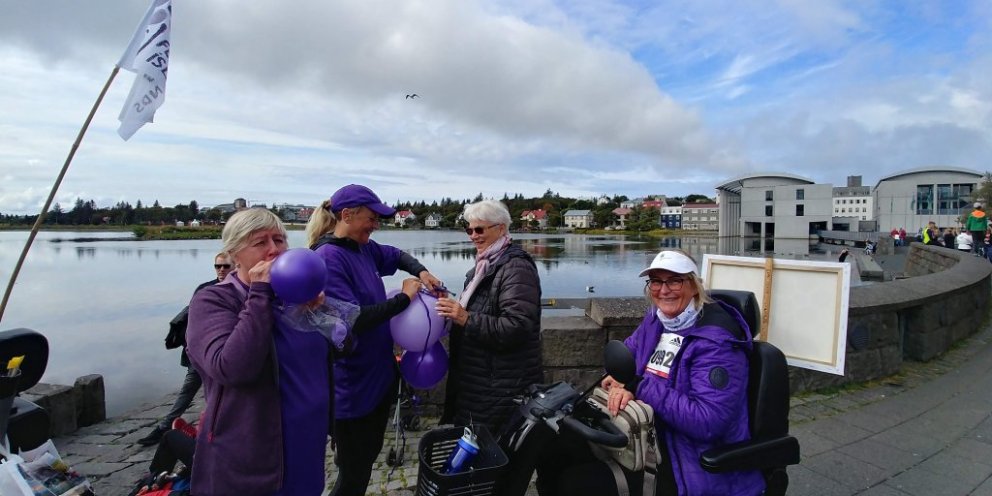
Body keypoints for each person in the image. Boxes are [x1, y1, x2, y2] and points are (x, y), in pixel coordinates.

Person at [539, 249, 765, 496]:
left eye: (674, 281)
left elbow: (708, 421)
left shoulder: (717, 344)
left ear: (694, 285)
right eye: (656, 281)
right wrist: (618, 379)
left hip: (689, 462)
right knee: (554, 450)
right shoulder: (657, 321)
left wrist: (637, 386)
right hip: (646, 437)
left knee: (576, 484)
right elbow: (627, 356)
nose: (663, 290)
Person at [185, 209, 335, 495]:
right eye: (260, 242)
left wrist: (319, 313)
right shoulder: (213, 300)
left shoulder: (293, 297)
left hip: (306, 449)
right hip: (250, 459)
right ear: (234, 254)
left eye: (279, 240)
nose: (273, 249)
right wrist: (259, 293)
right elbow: (232, 368)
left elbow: (345, 344)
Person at [306, 184, 442, 496]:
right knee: (352, 476)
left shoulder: (363, 247)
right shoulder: (328, 257)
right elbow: (352, 320)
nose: (376, 225)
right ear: (347, 215)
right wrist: (404, 300)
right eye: (371, 218)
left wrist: (421, 272)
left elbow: (396, 255)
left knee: (365, 463)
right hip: (352, 389)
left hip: (377, 380)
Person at [435, 200, 543, 433]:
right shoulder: (482, 267)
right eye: (469, 230)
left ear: (501, 228)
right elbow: (478, 310)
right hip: (479, 384)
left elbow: (517, 326)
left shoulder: (516, 268)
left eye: (479, 229)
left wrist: (466, 318)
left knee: (493, 450)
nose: (473, 236)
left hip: (501, 389)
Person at [137, 253, 233, 447]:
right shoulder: (205, 289)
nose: (221, 270)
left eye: (225, 266)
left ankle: (214, 431)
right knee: (188, 391)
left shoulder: (238, 290)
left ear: (235, 267)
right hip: (199, 354)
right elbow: (193, 322)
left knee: (222, 395)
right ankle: (164, 427)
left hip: (224, 354)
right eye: (218, 266)